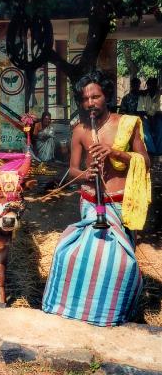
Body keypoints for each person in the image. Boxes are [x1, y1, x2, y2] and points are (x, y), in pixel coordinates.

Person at [42, 70, 151, 327]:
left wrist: (115, 153)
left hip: (122, 203)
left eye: (96, 96)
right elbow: (72, 169)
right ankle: (85, 309)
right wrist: (86, 175)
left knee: (122, 261)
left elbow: (145, 162)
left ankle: (121, 312)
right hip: (92, 202)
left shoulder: (128, 123)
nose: (90, 103)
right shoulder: (80, 131)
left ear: (107, 96)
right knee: (83, 256)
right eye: (85, 99)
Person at [137, 77, 162, 155]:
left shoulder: (160, 96)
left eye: (153, 85)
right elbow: (141, 111)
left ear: (156, 85)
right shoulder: (143, 96)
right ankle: (151, 151)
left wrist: (153, 117)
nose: (151, 87)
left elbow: (160, 112)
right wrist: (149, 118)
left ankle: (159, 151)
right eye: (149, 85)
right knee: (144, 126)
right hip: (147, 117)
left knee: (160, 125)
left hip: (158, 117)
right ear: (147, 85)